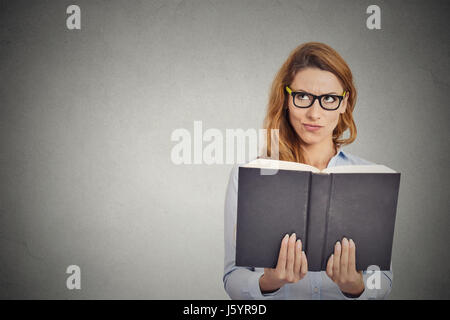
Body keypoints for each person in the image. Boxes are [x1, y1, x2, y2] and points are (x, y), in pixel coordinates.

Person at [223, 42, 393, 299]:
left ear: (344, 103)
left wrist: (357, 287)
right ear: (286, 99)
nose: (315, 113)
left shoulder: (371, 178)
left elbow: (384, 280)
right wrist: (268, 281)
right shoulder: (250, 176)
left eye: (329, 99)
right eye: (302, 96)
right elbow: (232, 277)